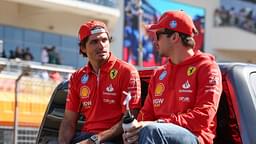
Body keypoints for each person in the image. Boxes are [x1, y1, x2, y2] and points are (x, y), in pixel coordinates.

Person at [123, 10, 222, 144]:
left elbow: (203, 116)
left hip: (195, 137)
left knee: (151, 131)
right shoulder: (159, 74)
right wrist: (134, 132)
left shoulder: (207, 67)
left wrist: (160, 123)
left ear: (175, 37)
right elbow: (145, 115)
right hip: (156, 134)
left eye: (158, 35)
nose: (154, 41)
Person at [58, 20, 141, 144]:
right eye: (94, 42)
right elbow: (69, 121)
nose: (101, 46)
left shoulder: (127, 71)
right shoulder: (77, 77)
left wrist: (94, 140)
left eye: (104, 40)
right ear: (83, 48)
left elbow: (129, 119)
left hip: (113, 139)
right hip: (85, 137)